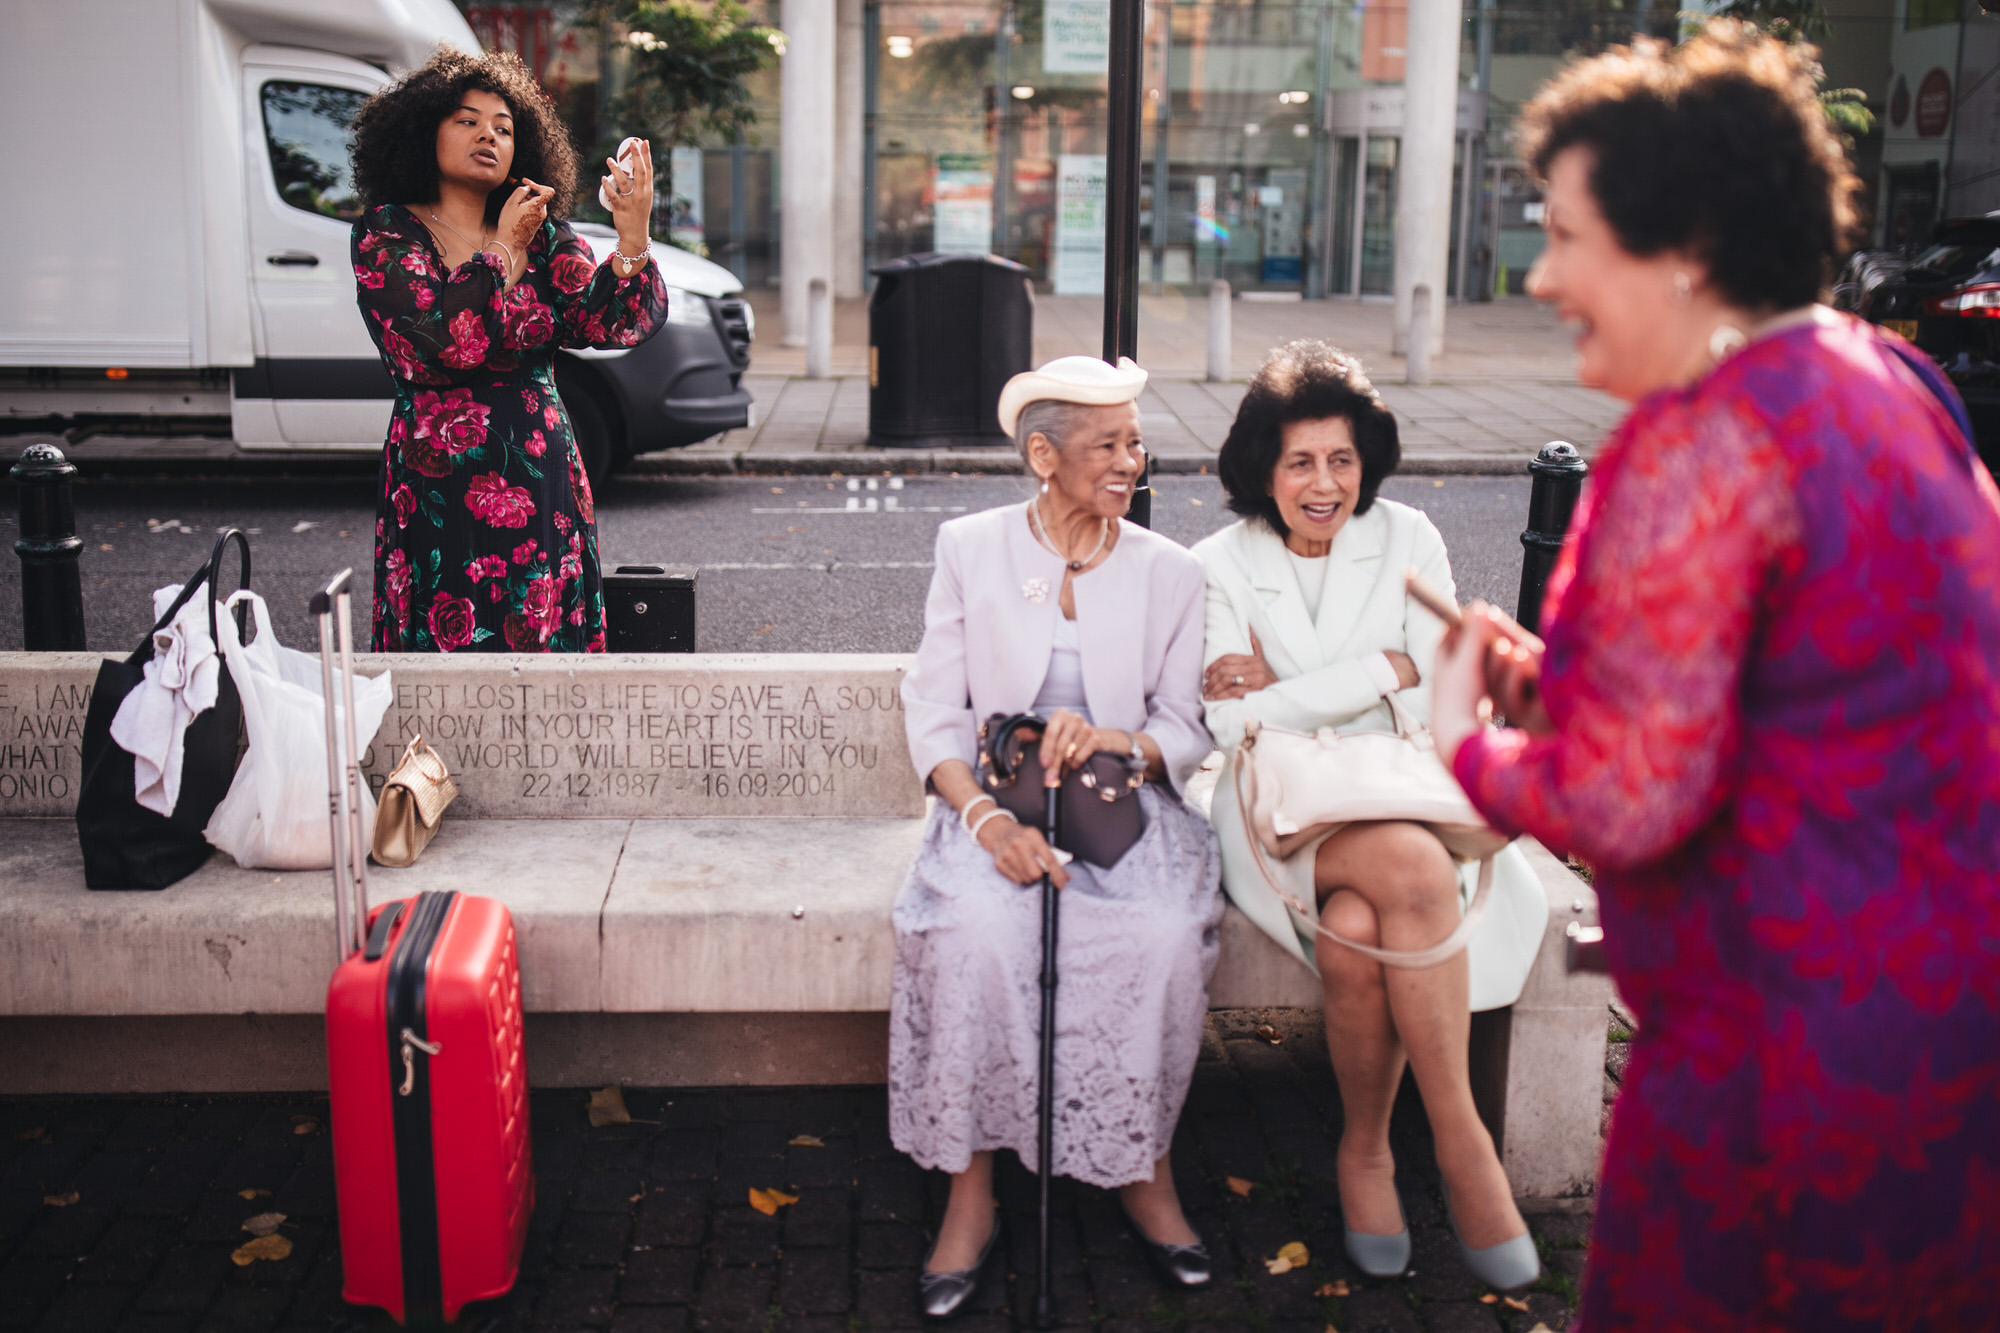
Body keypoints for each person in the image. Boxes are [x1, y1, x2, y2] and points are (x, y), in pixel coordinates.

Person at [1426, 24, 2000, 1331]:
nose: (1538, 277)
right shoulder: (1892, 380)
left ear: (1680, 245)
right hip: (1949, 1044)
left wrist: (1467, 738)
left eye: (1565, 236)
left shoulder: (1700, 441)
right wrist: (1580, 693)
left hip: (1780, 1062)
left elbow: (1625, 804)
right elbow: (1824, 698)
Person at [1192, 341, 1547, 1291]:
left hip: (1399, 788)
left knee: (1359, 922)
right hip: (1279, 814)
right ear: (1262, 467)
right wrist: (1379, 671)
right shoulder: (1217, 563)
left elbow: (1440, 691)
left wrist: (1298, 684)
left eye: (1342, 459)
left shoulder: (1409, 536)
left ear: (1368, 462)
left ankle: (1368, 1152)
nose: (1324, 483)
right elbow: (1227, 720)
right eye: (1301, 461)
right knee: (1418, 873)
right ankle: (1464, 1146)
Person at [891, 356, 1224, 1319]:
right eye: (1109, 444)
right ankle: (972, 1192)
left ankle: (1140, 1166)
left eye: (1135, 441)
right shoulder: (972, 546)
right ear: (1045, 455)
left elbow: (1186, 722)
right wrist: (985, 819)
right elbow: (935, 711)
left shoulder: (1172, 571)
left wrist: (1120, 742)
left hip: (1126, 805)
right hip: (993, 806)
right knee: (975, 935)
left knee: (1157, 934)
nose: (1132, 460)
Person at [347, 49, 667, 652]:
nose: (487, 135)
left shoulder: (541, 230)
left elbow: (606, 323)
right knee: (446, 652)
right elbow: (436, 344)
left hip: (539, 468)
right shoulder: (387, 233)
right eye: (467, 121)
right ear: (425, 133)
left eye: (503, 127)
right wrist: (497, 253)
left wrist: (632, 234)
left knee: (543, 644)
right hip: (437, 478)